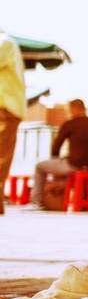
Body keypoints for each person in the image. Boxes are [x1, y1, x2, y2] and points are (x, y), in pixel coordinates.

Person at [33, 100, 88, 210]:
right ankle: (81, 201)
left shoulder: (71, 123)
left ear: (73, 109)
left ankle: (36, 201)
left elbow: (56, 147)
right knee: (66, 172)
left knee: (40, 166)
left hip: (74, 165)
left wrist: (56, 160)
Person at [0, 31, 22, 216]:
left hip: (4, 107)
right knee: (3, 156)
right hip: (9, 108)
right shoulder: (9, 43)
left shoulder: (3, 42)